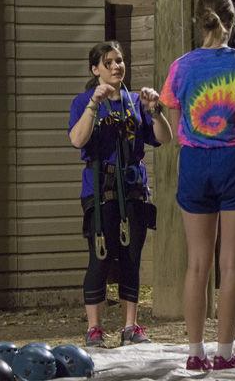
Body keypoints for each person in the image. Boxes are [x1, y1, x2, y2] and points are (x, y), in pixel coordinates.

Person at [159, 0, 235, 371]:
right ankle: (225, 353)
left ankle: (195, 352)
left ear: (199, 21)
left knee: (196, 264)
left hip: (194, 164)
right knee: (231, 266)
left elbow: (178, 130)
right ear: (232, 20)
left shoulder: (180, 68)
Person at [68, 41, 172, 347]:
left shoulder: (134, 100)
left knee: (131, 257)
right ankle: (94, 328)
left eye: (120, 61)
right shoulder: (84, 100)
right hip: (100, 192)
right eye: (109, 62)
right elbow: (77, 139)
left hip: (133, 189)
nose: (116, 67)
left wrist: (156, 111)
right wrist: (93, 105)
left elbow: (163, 137)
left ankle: (131, 327)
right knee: (100, 257)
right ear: (95, 69)